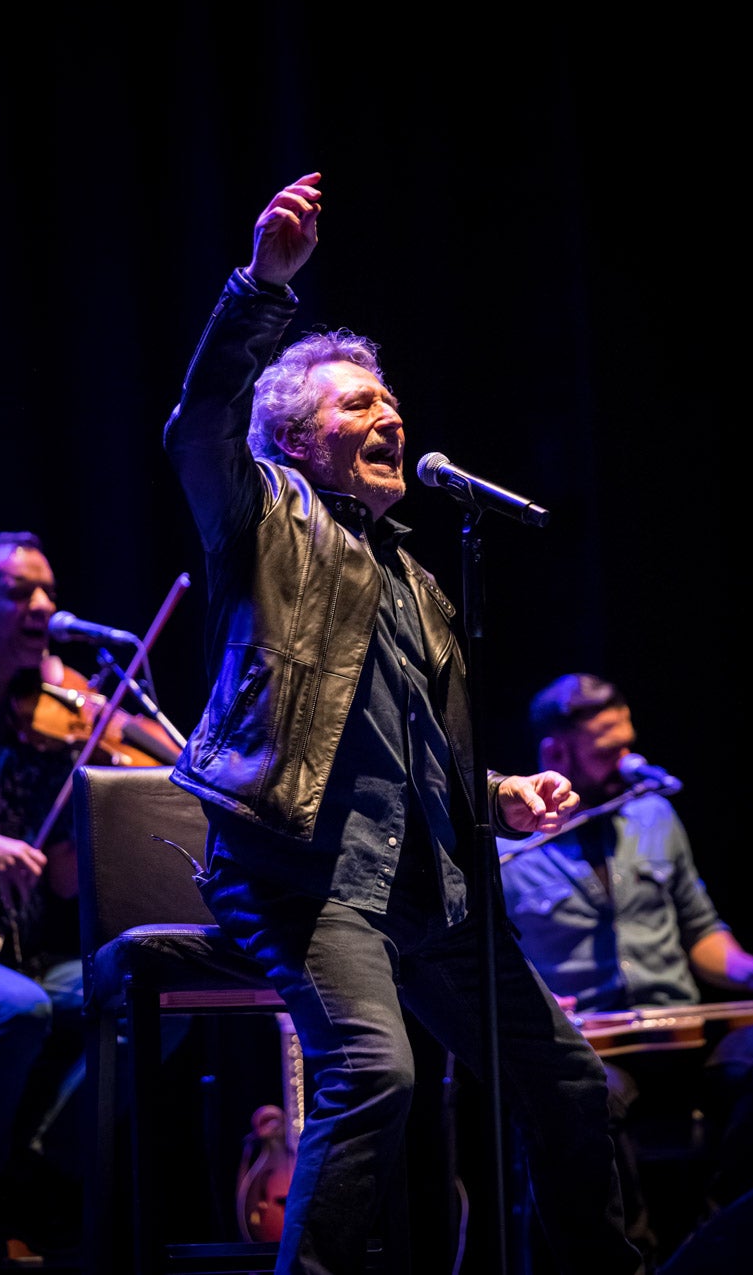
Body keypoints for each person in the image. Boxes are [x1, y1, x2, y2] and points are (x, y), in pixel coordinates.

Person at [163, 171, 643, 1275]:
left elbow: (398, 756)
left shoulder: (414, 583)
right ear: (292, 440)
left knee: (567, 1082)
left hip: (424, 879)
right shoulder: (261, 519)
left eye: (389, 405)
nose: (388, 418)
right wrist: (257, 288)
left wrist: (499, 794)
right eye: (355, 407)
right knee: (375, 1072)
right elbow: (197, 428)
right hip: (300, 872)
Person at [497, 672, 753, 1270]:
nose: (627, 757)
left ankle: (718, 1238)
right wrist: (535, 1000)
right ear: (556, 753)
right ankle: (638, 1261)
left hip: (684, 1034)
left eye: (628, 740)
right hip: (597, 1048)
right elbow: (492, 956)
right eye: (608, 748)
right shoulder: (509, 847)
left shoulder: (655, 816)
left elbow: (701, 931)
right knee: (587, 1098)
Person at [0, 531, 85, 1266]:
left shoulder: (59, 712)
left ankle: (40, 1168)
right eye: (19, 592)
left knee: (149, 994)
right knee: (17, 1010)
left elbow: (65, 879)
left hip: (35, 946)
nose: (42, 606)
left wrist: (90, 829)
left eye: (47, 590)